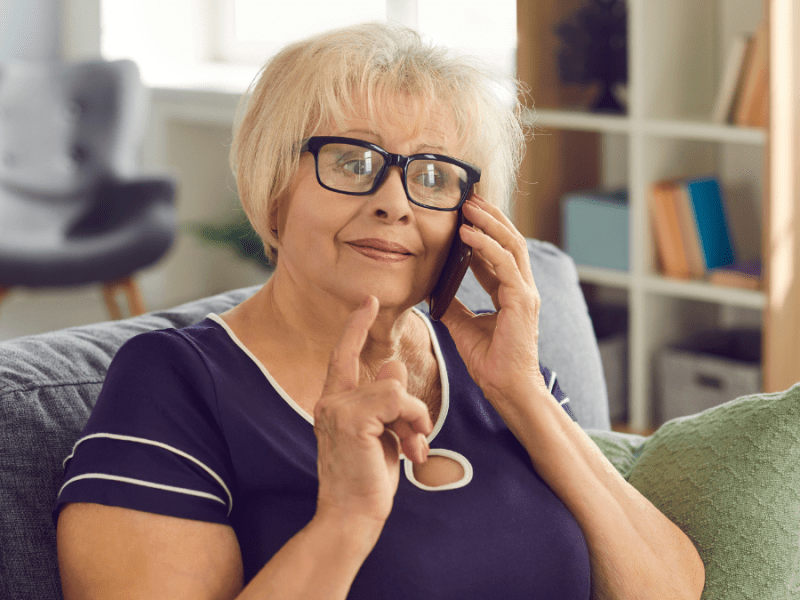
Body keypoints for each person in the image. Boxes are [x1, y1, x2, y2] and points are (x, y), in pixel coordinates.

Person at [54, 22, 704, 600]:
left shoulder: (500, 372)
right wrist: (346, 520)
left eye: (432, 175)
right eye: (353, 161)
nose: (395, 201)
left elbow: (668, 589)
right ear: (274, 187)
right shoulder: (176, 383)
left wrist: (523, 392)